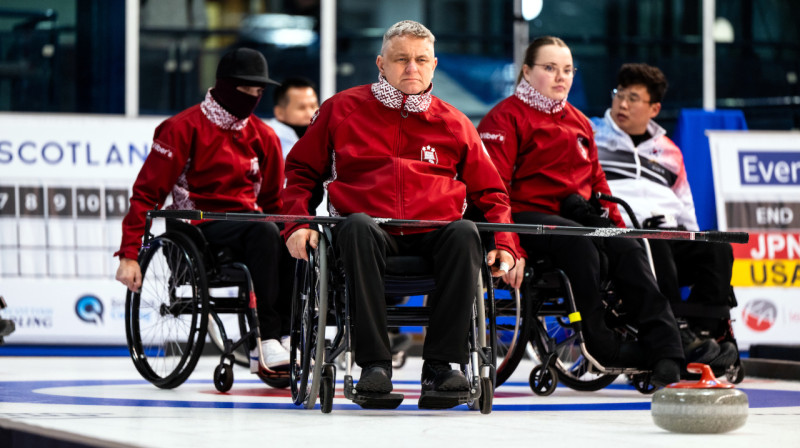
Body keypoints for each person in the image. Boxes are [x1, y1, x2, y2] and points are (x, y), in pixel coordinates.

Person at [282, 20, 518, 409]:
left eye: (421, 59)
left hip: (434, 233)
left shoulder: (455, 123)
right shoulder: (341, 109)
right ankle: (374, 366)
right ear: (381, 63)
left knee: (465, 232)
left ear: (434, 65)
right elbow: (301, 173)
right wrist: (298, 223)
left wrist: (506, 244)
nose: (412, 68)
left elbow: (492, 192)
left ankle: (443, 367)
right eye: (401, 59)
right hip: (366, 232)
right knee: (355, 225)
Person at [477, 36, 685, 387]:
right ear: (527, 71)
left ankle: (667, 351)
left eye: (568, 70)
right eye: (550, 68)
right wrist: (510, 246)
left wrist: (620, 231)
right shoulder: (505, 118)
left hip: (574, 221)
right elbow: (492, 191)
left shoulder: (579, 122)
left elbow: (600, 187)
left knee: (628, 249)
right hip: (525, 218)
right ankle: (601, 345)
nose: (561, 77)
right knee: (579, 243)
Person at [115, 47, 293, 371]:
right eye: (246, 90)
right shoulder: (182, 128)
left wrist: (295, 230)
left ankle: (288, 334)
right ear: (225, 86)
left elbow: (274, 203)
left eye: (259, 92)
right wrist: (130, 254)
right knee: (265, 231)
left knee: (293, 235)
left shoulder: (264, 136)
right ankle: (266, 339)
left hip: (249, 222)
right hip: (196, 226)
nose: (253, 97)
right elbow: (146, 194)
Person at [591, 63, 737, 368]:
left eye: (633, 98)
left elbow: (685, 210)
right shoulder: (592, 136)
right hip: (622, 236)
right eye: (619, 95)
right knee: (654, 241)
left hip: (668, 234)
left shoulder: (669, 151)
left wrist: (696, 237)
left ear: (654, 108)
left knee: (717, 248)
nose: (622, 104)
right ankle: (673, 332)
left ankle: (706, 332)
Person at [265, 77, 320, 159]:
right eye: (301, 108)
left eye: (313, 106)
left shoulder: (323, 136)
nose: (310, 113)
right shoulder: (265, 140)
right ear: (279, 112)